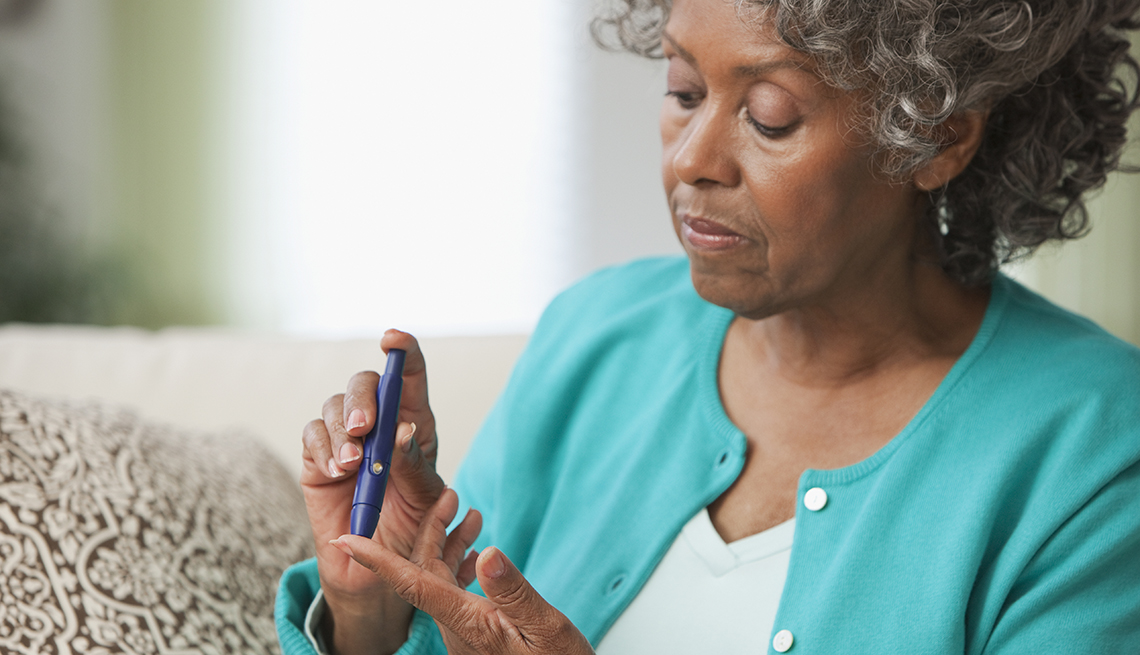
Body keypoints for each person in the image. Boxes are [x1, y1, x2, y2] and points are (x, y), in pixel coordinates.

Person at [276, 0, 1140, 653]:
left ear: (938, 138)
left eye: (768, 115)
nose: (692, 157)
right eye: (683, 91)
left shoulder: (1096, 447)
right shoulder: (597, 335)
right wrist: (376, 608)